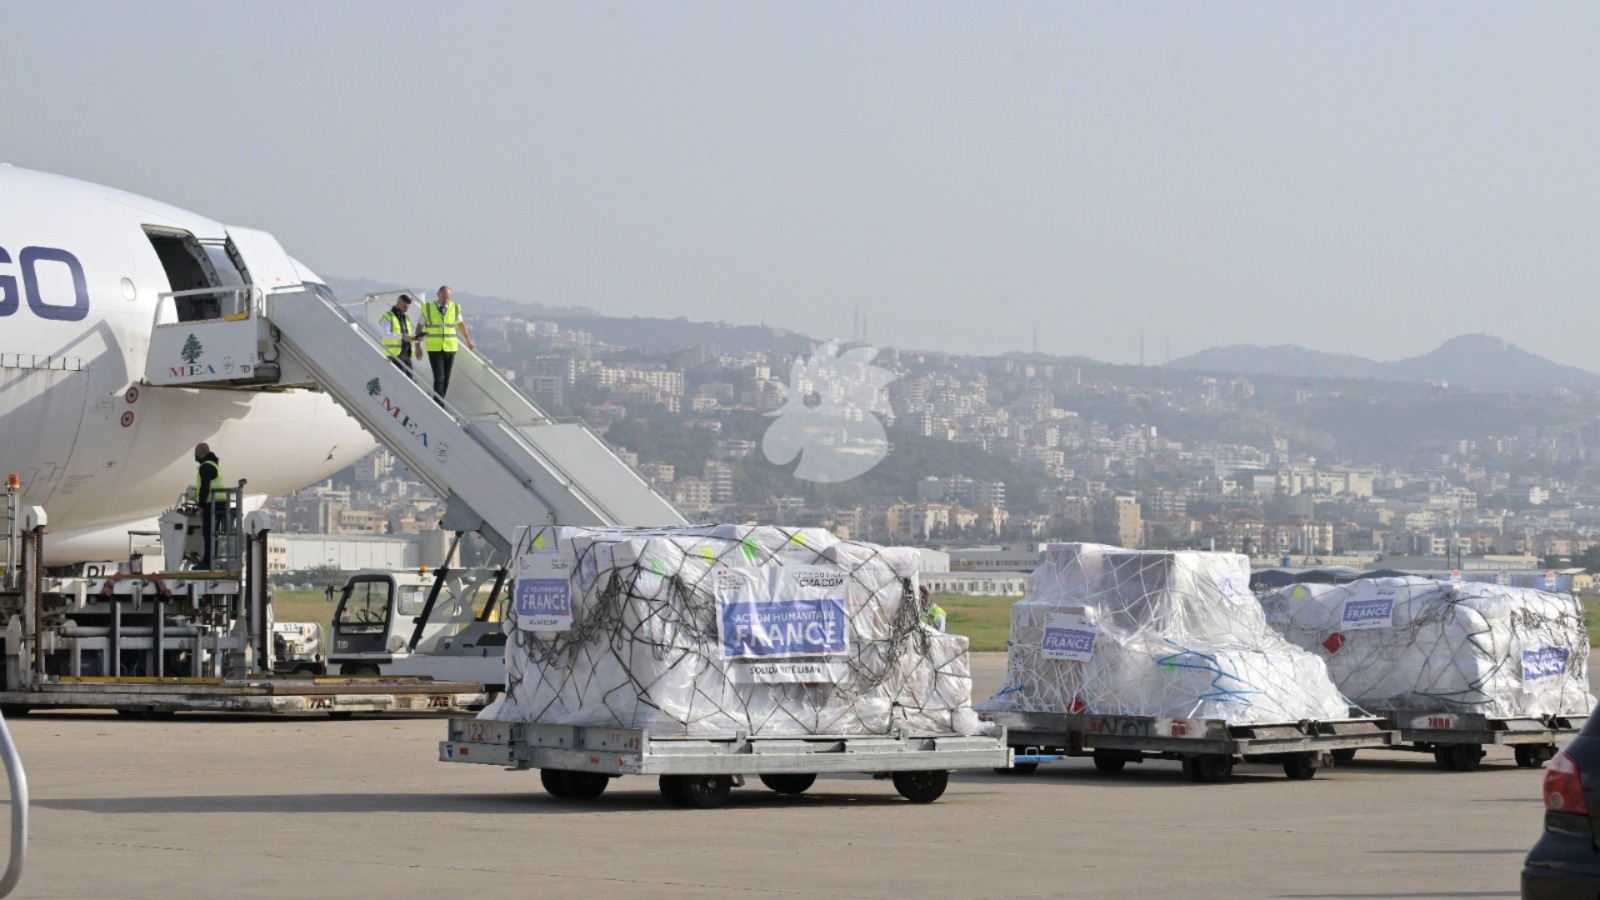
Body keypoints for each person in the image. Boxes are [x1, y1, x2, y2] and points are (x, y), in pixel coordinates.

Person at [420, 284, 475, 401]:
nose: (446, 300)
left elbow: (461, 325)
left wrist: (467, 340)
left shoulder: (454, 308)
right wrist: (417, 345)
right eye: (443, 297)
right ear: (438, 295)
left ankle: (440, 400)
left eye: (448, 297)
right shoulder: (428, 308)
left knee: (446, 379)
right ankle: (437, 403)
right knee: (439, 378)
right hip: (435, 349)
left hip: (450, 348)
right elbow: (419, 327)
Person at [193, 442, 226, 570]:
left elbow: (205, 488)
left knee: (208, 534)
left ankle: (207, 562)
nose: (194, 455)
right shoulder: (214, 465)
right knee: (213, 534)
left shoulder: (205, 467)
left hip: (211, 504)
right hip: (220, 503)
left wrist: (201, 506)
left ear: (202, 452)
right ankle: (211, 560)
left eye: (196, 452)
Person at [379, 294, 421, 374]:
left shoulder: (406, 318)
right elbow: (385, 334)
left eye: (408, 308)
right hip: (394, 355)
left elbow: (407, 336)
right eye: (404, 307)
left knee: (409, 378)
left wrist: (417, 338)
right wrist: (402, 336)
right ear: (398, 303)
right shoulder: (388, 316)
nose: (406, 310)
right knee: (399, 379)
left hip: (407, 355)